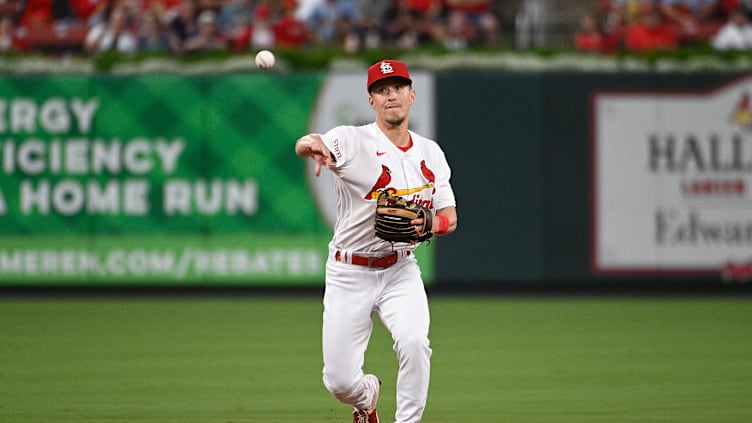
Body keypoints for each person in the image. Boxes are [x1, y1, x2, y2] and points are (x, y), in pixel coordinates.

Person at [294, 59, 458, 423]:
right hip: (348, 271)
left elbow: (450, 218)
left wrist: (430, 222)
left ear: (411, 95)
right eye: (381, 90)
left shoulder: (430, 153)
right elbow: (310, 142)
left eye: (397, 88)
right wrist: (312, 147)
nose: (390, 96)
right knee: (338, 381)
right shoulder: (352, 140)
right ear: (372, 102)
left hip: (400, 268)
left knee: (415, 344)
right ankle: (366, 397)